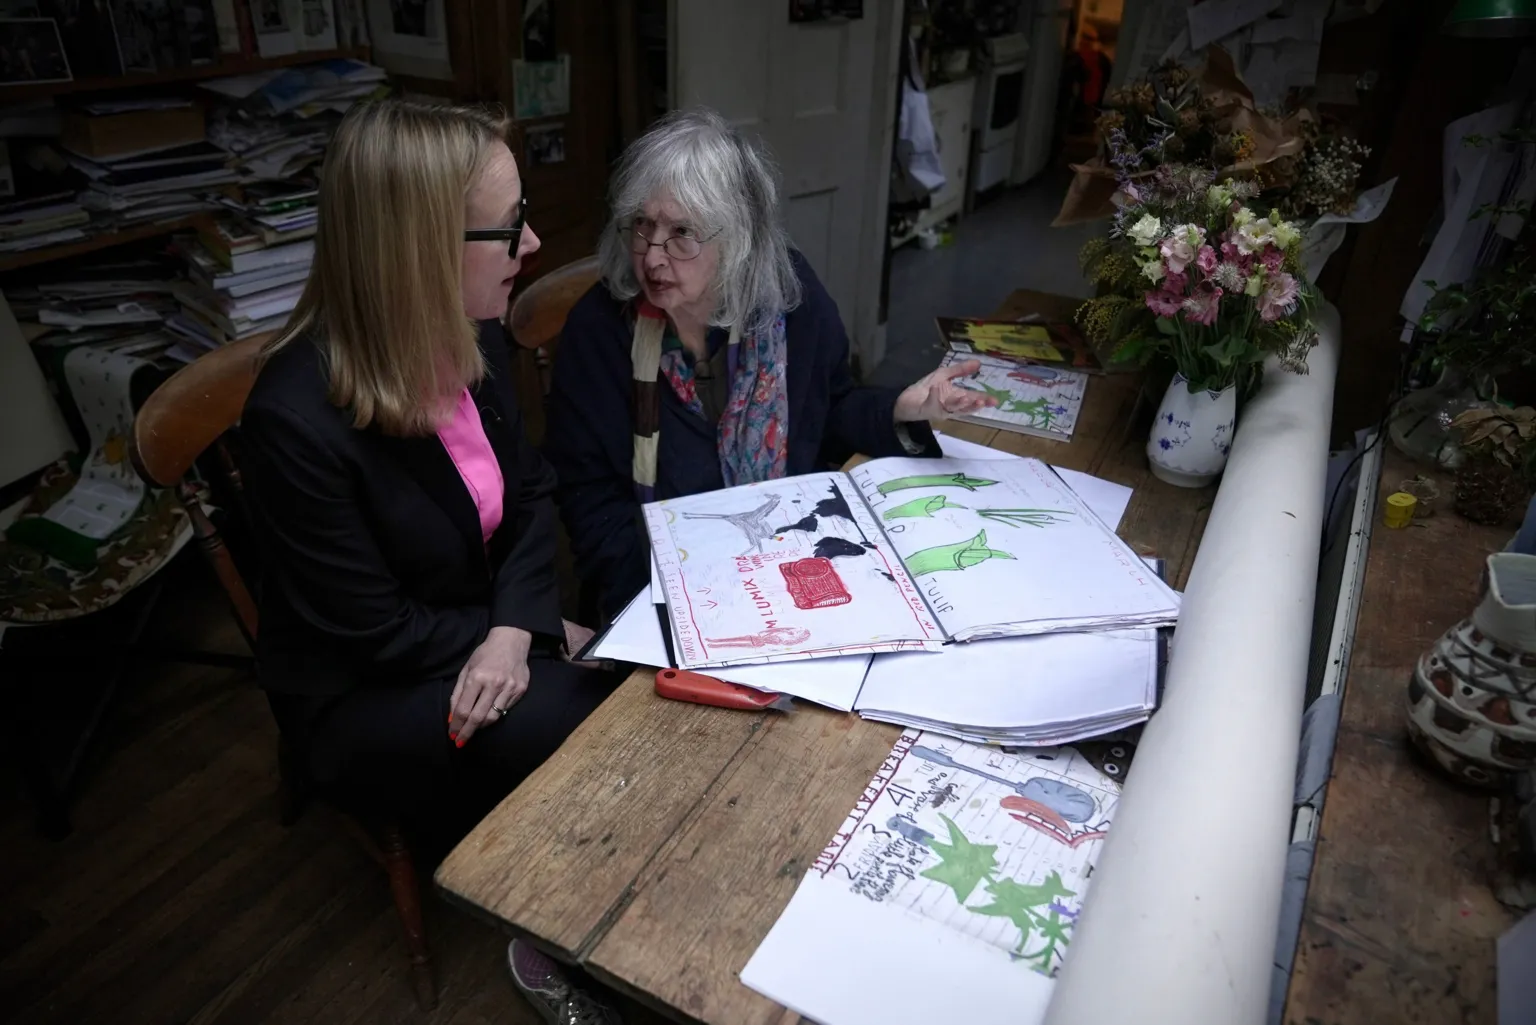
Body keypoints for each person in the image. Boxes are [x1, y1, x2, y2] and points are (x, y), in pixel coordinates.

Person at [240, 99, 622, 1024]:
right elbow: (370, 630)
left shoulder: (471, 323)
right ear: (417, 249)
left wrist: (517, 623)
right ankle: (560, 924)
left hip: (466, 617)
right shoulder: (292, 419)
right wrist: (516, 638)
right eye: (508, 226)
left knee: (611, 679)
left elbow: (531, 492)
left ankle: (583, 895)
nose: (531, 241)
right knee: (589, 719)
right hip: (360, 684)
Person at [545, 107, 994, 621]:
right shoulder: (600, 329)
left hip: (787, 560)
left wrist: (901, 408)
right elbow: (588, 499)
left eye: (682, 233)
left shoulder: (788, 298)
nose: (651, 256)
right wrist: (680, 599)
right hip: (659, 588)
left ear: (736, 240)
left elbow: (830, 414)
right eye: (642, 226)